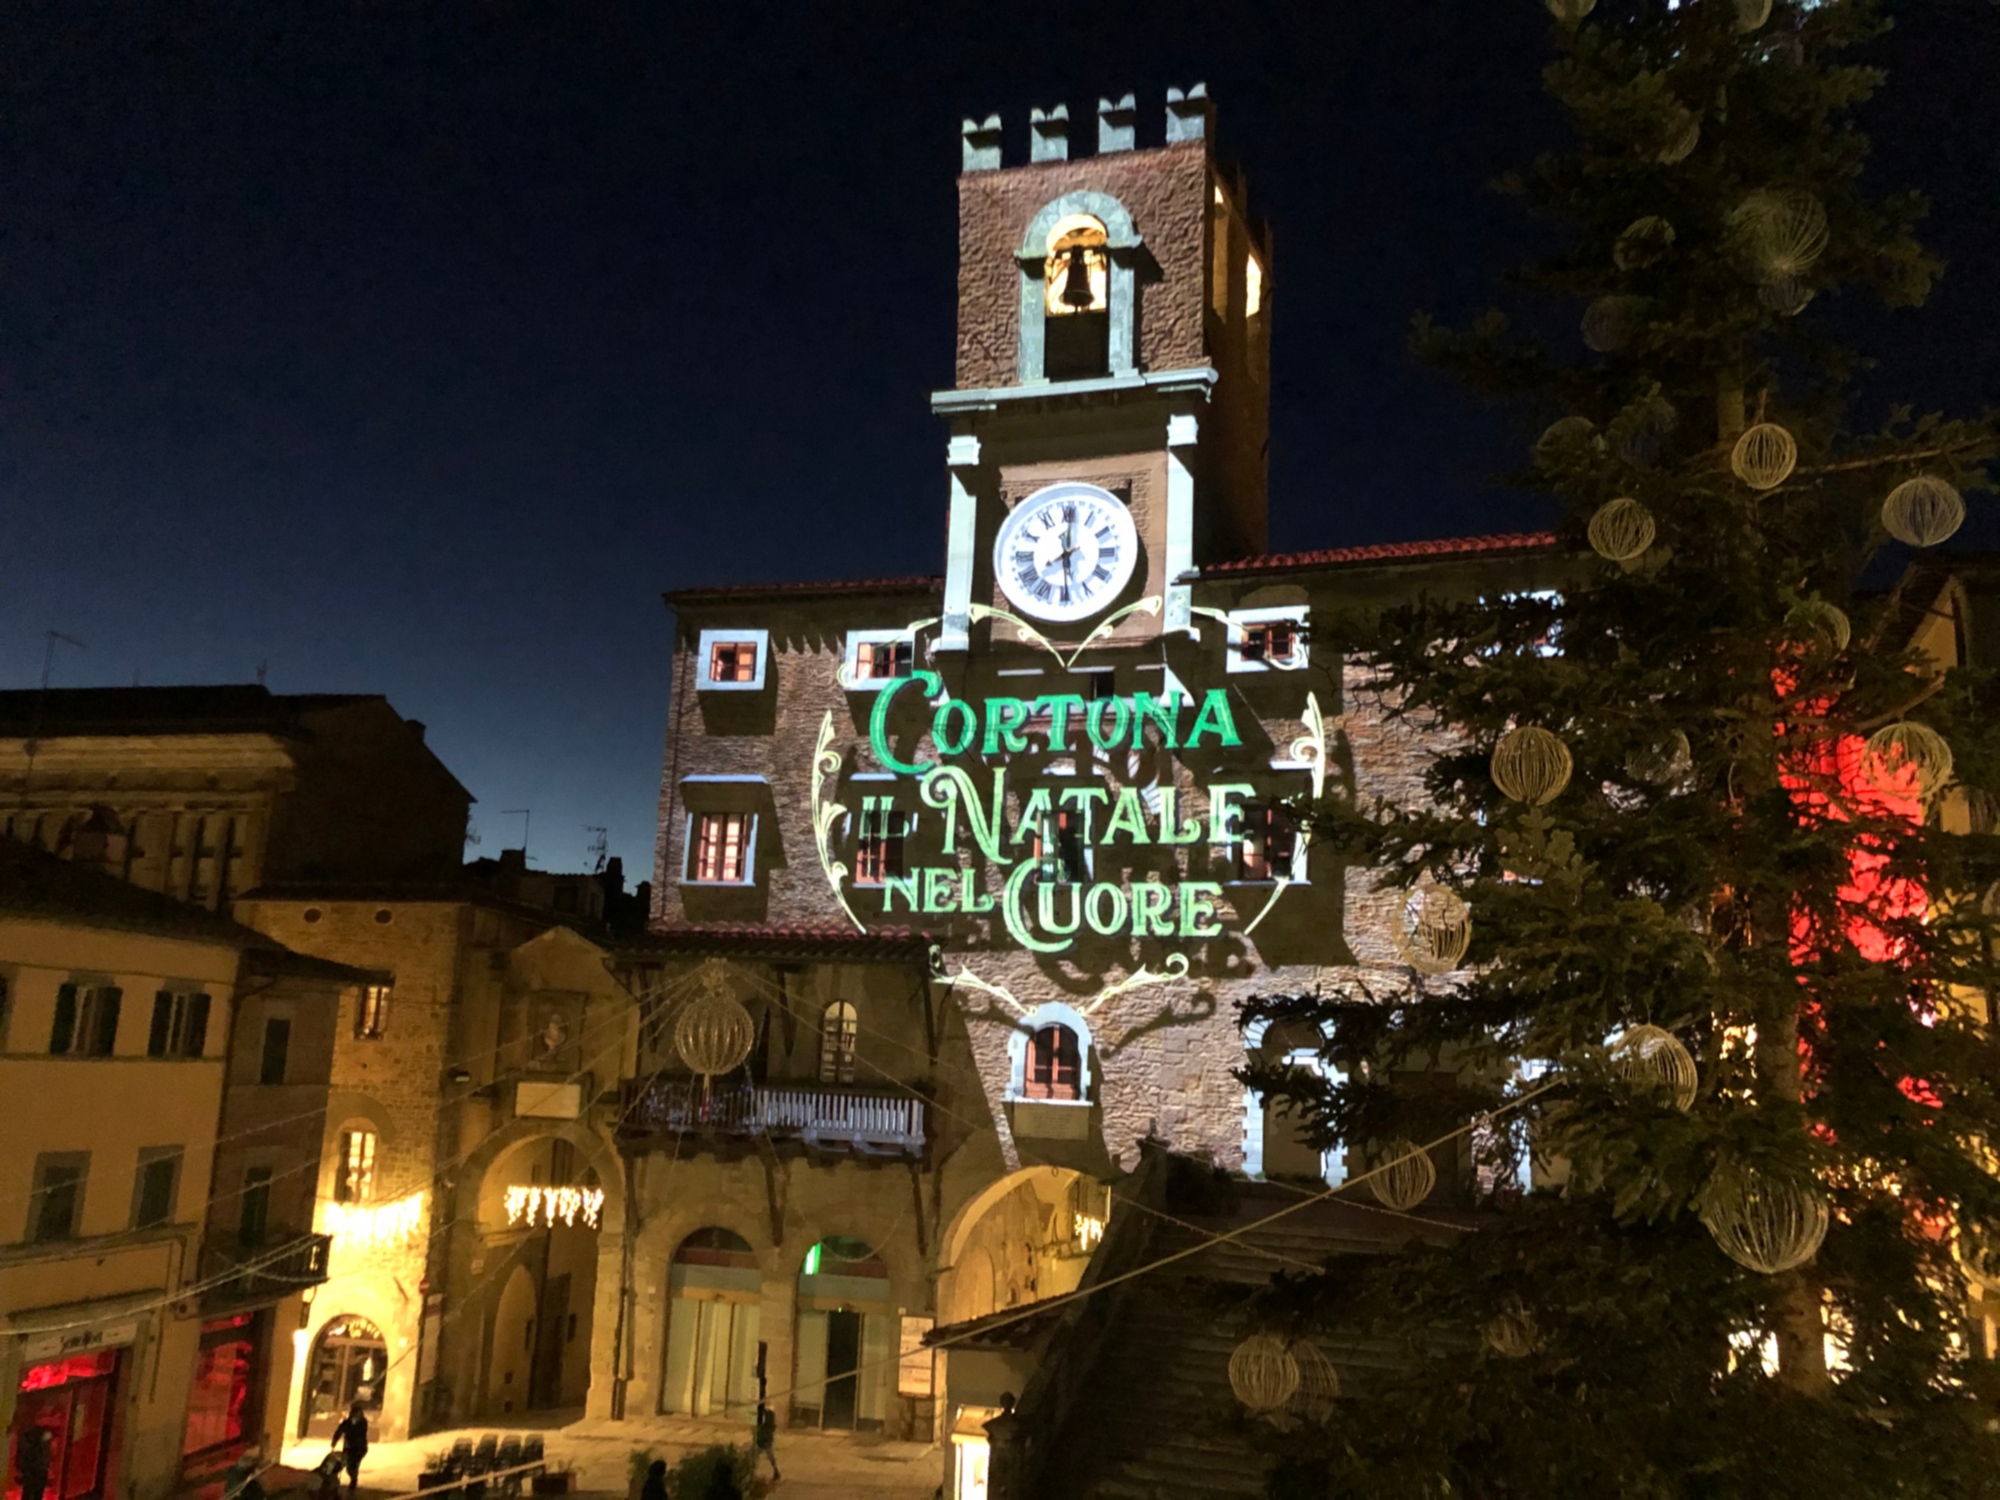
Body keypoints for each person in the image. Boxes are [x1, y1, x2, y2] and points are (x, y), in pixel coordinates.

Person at [329, 1403, 370, 1495]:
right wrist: (334, 1442)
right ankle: (353, 1479)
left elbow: (361, 1435)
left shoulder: (363, 1423)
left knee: (354, 1465)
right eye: (356, 1413)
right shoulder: (347, 1422)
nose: (357, 1415)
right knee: (348, 1465)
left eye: (359, 1413)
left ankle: (353, 1481)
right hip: (349, 1448)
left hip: (359, 1448)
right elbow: (339, 1431)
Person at [13, 1426, 53, 1500]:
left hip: (30, 1470)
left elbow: (22, 1453)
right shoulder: (44, 1440)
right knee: (36, 1493)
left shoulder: (25, 1438)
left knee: (28, 1491)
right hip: (40, 1470)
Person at [752, 1403, 779, 1484]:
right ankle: (776, 1471)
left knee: (757, 1455)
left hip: (764, 1438)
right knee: (768, 1455)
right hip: (765, 1438)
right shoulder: (769, 1415)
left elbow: (764, 1426)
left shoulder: (767, 1415)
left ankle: (776, 1472)